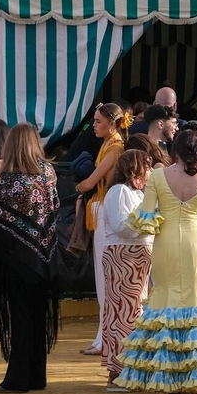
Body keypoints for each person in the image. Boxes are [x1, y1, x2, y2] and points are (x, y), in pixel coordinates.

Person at [117, 128, 197, 394]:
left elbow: (146, 214)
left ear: (175, 151)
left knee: (165, 300)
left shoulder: (159, 176)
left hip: (167, 243)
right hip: (196, 245)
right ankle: (192, 384)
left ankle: (165, 382)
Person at [0, 123, 59, 394]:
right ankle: (37, 376)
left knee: (21, 317)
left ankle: (17, 380)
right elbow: (55, 209)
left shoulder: (10, 177)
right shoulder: (48, 172)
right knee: (38, 316)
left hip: (16, 259)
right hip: (45, 255)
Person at [74, 103, 129, 358]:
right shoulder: (109, 145)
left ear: (112, 123)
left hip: (104, 211)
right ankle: (103, 337)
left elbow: (90, 182)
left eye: (98, 121)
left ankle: (105, 339)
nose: (94, 125)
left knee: (105, 279)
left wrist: (76, 189)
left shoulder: (115, 147)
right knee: (102, 279)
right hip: (100, 210)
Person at [98, 149, 155, 390]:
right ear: (135, 170)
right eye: (147, 167)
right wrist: (150, 222)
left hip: (137, 257)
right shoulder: (119, 191)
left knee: (133, 313)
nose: (151, 172)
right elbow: (123, 226)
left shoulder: (136, 193)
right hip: (124, 257)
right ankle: (119, 371)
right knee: (123, 315)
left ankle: (130, 369)